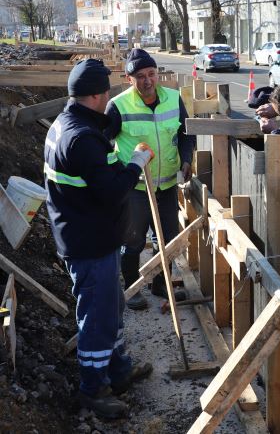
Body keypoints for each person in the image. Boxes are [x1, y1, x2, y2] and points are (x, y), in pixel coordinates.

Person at [44, 59, 154, 419]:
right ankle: (94, 388)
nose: (110, 97)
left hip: (86, 234)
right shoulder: (83, 139)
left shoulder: (65, 125)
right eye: (106, 92)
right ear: (95, 95)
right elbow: (113, 192)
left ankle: (119, 370)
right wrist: (136, 163)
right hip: (90, 243)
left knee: (112, 308)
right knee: (97, 316)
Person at [105, 49, 196, 310]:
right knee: (132, 240)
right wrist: (118, 172)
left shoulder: (173, 99)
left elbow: (186, 134)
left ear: (158, 74)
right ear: (129, 78)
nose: (147, 81)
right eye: (140, 76)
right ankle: (132, 288)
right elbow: (103, 144)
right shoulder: (119, 105)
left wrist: (186, 158)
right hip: (134, 187)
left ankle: (160, 285)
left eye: (152, 74)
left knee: (167, 241)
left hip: (166, 185)